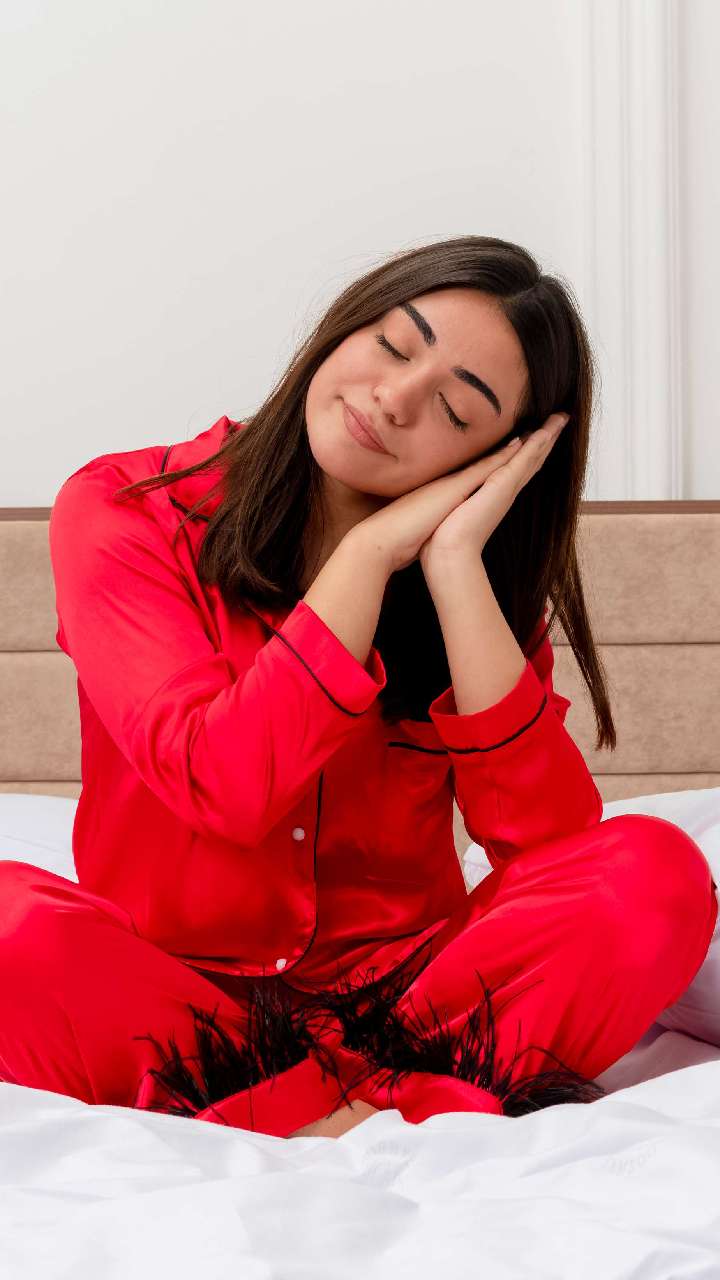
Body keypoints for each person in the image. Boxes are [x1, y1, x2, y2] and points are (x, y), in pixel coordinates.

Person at [1, 236, 716, 1140]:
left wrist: (454, 568)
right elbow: (220, 782)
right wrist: (367, 556)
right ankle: (360, 1105)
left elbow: (549, 849)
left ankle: (342, 1103)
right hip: (177, 1003)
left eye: (455, 409)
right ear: (346, 325)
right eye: (393, 344)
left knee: (655, 874)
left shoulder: (478, 590)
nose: (395, 398)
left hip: (415, 1005)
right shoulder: (131, 508)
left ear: (493, 459)